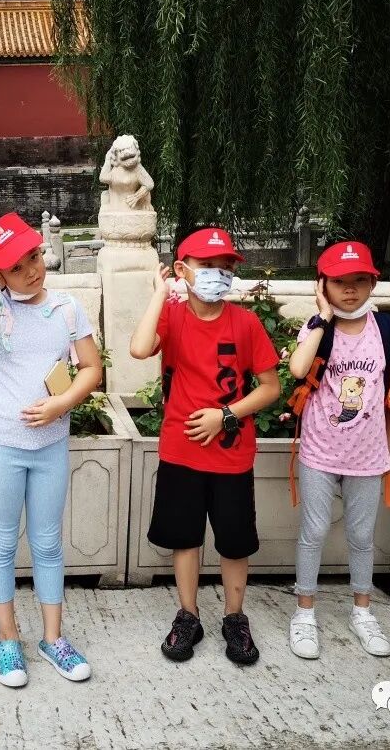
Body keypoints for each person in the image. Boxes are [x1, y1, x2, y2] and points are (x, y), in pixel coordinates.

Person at [0, 212, 103, 688]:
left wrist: (61, 404)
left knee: (48, 543)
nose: (32, 270)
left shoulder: (67, 309)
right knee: (1, 542)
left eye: (34, 257)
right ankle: (8, 638)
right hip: (0, 443)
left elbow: (91, 369)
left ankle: (53, 638)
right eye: (16, 267)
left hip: (50, 445)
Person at [129, 227, 281, 665]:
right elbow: (139, 348)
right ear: (182, 269)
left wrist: (225, 415)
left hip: (232, 453)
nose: (218, 273)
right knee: (185, 537)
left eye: (225, 266)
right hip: (181, 451)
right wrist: (161, 294)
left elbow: (270, 387)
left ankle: (235, 616)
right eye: (207, 265)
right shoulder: (172, 316)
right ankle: (188, 614)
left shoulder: (245, 323)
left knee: (234, 541)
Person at [286, 241, 390, 659]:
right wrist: (323, 316)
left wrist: (388, 442)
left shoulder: (388, 332)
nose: (350, 289)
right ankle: (304, 612)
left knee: (361, 536)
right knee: (314, 531)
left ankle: (363, 611)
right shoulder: (318, 329)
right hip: (320, 450)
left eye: (359, 280)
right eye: (339, 282)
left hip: (368, 454)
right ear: (323, 285)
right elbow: (297, 369)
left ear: (373, 283)